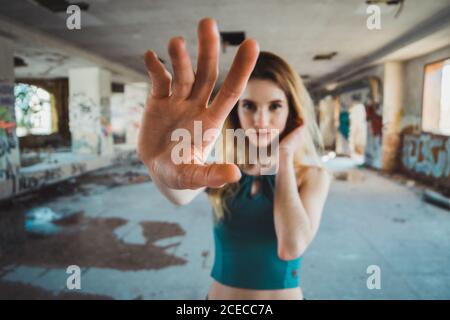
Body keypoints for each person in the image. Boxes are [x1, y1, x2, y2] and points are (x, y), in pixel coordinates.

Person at [138, 18, 331, 300]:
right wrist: (156, 161)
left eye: (275, 106)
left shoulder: (312, 176)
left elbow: (291, 247)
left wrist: (285, 159)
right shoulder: (222, 169)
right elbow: (179, 196)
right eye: (249, 106)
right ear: (235, 112)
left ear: (292, 112)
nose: (260, 120)